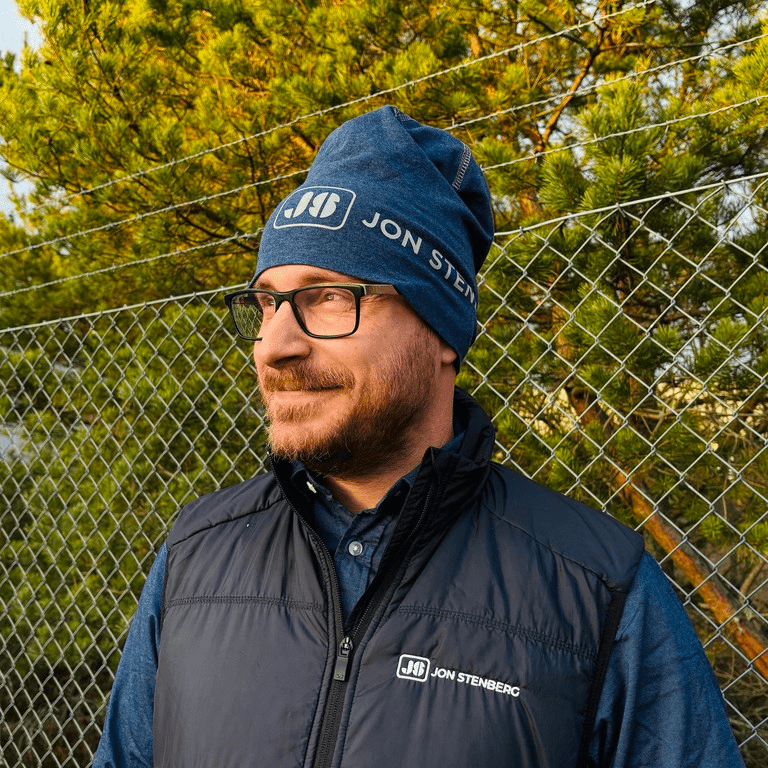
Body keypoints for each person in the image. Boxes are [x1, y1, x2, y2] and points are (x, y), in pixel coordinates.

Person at [93, 106, 744, 768]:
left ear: (440, 328)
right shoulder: (193, 556)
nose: (274, 346)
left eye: (329, 297)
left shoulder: (598, 590)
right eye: (268, 303)